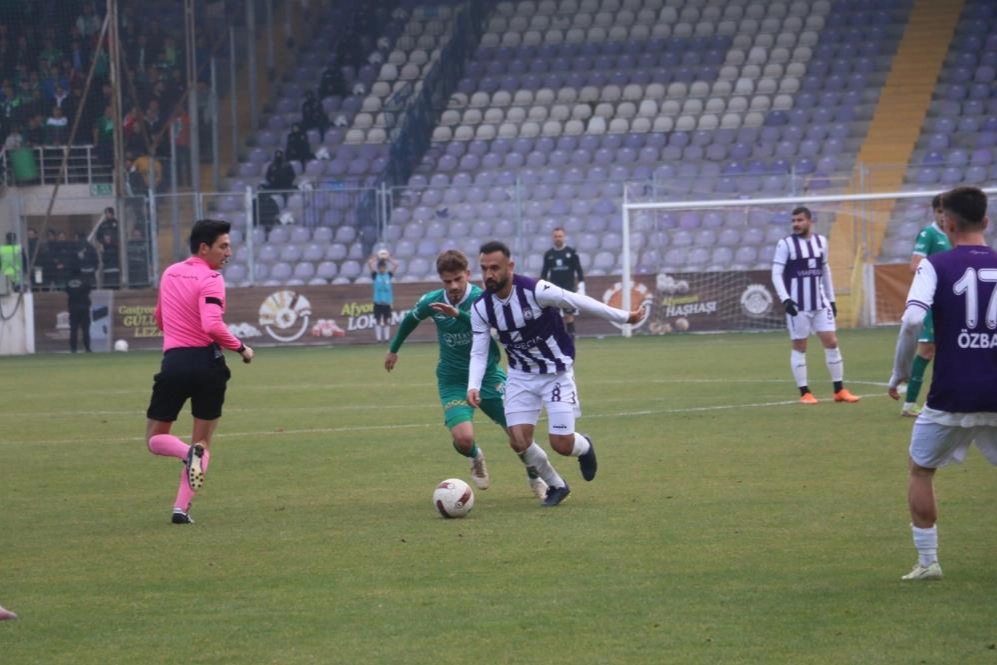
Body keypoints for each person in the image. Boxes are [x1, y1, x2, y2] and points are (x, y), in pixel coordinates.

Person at [467, 241, 645, 506]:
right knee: (518, 441)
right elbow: (479, 351)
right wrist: (473, 385)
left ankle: (584, 446)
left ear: (510, 266)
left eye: (495, 268)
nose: (489, 274)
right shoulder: (481, 307)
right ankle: (556, 486)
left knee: (561, 444)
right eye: (484, 269)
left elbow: (577, 300)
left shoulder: (535, 290)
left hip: (555, 373)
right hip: (520, 376)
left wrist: (623, 317)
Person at [887, 186, 997, 581]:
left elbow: (913, 321)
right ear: (986, 221)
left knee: (921, 469)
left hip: (951, 392)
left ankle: (928, 561)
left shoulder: (934, 266)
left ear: (947, 224)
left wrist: (900, 372)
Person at [385, 250, 548, 499]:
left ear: (468, 275)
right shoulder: (432, 301)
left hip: (488, 377)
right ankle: (475, 456)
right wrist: (393, 350)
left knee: (519, 435)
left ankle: (535, 477)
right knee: (463, 439)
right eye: (447, 281)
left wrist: (457, 315)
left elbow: (490, 328)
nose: (453, 286)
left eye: (458, 279)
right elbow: (410, 319)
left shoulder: (483, 299)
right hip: (453, 379)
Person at [145, 219, 254, 524]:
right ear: (204, 248)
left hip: (175, 363)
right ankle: (181, 508)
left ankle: (184, 458)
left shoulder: (170, 273)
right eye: (223, 246)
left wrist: (178, 330)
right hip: (208, 365)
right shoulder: (212, 278)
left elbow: (159, 319)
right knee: (202, 445)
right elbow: (211, 325)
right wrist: (242, 348)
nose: (228, 252)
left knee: (155, 439)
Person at [770, 206, 861, 405]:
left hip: (820, 303)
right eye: (793, 220)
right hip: (798, 305)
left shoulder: (821, 242)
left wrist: (832, 299)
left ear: (810, 221)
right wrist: (786, 299)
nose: (796, 224)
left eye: (800, 220)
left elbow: (825, 270)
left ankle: (839, 390)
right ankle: (805, 393)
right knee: (800, 346)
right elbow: (776, 274)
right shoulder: (785, 244)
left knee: (832, 342)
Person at [899, 194, 952, 417]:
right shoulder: (929, 234)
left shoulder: (954, 234)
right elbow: (915, 265)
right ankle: (909, 404)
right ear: (933, 212)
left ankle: (945, 401)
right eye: (939, 212)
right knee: (926, 351)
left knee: (950, 351)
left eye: (946, 212)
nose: (943, 217)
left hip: (951, 302)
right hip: (933, 302)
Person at [540, 227, 585, 338]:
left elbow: (579, 270)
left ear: (564, 237)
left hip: (568, 290)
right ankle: (558, 341)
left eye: (560, 236)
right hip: (554, 291)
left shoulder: (572, 252)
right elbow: (544, 272)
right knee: (554, 317)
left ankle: (571, 341)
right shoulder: (549, 254)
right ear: (552, 238)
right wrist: (542, 287)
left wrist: (581, 285)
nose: (558, 238)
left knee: (568, 316)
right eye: (556, 236)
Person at [368, 251, 398, 343]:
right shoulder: (375, 276)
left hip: (387, 302)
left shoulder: (388, 275)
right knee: (377, 320)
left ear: (385, 268)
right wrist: (377, 257)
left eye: (384, 267)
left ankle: (386, 339)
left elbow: (396, 265)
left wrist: (388, 258)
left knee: (387, 320)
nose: (382, 269)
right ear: (378, 268)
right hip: (378, 302)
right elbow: (369, 264)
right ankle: (378, 339)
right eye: (380, 268)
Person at [65, 267, 92, 353]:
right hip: (84, 306)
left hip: (73, 306)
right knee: (85, 329)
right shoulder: (85, 280)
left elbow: (67, 291)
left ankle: (73, 349)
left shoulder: (68, 281)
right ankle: (87, 348)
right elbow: (89, 290)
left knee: (73, 329)